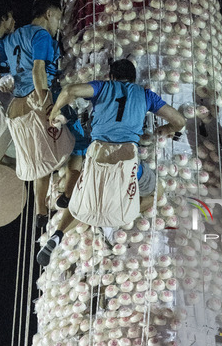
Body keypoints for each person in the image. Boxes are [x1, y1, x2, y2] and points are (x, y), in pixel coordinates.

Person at [36, 59, 185, 266]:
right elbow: (179, 121)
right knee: (156, 191)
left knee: (85, 202)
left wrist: (53, 112)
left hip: (96, 160)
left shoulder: (102, 87)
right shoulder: (145, 95)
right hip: (127, 165)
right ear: (133, 79)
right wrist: (166, 130)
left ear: (112, 77)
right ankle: (114, 222)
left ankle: (58, 235)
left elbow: (70, 90)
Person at [0, 0, 71, 228]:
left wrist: (0, 79)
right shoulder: (41, 36)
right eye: (58, 18)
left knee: (39, 159)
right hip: (35, 101)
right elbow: (38, 69)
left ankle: (40, 211)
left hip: (16, 108)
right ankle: (67, 198)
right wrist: (46, 103)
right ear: (49, 14)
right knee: (67, 148)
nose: (58, 25)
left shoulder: (12, 37)